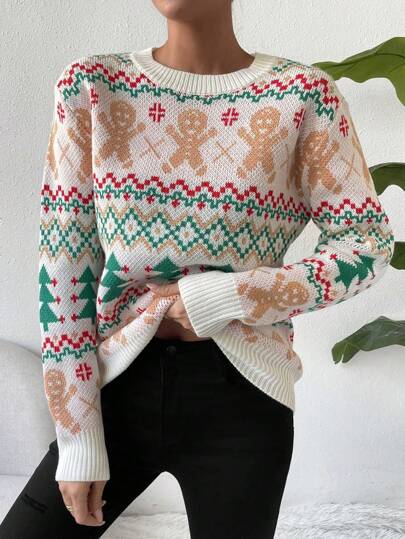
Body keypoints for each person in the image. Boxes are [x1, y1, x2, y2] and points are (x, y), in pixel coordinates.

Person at [0, 0, 395, 537]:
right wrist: (78, 436)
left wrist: (227, 296)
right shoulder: (92, 87)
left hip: (244, 397)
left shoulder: (302, 96)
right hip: (117, 387)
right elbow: (64, 270)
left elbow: (366, 244)